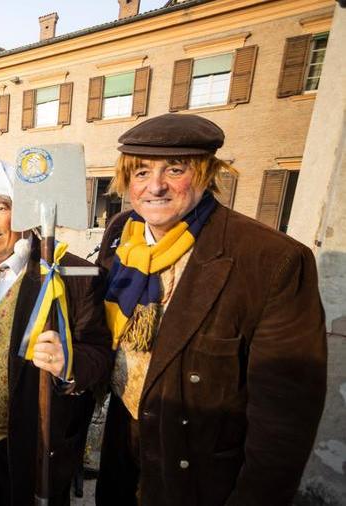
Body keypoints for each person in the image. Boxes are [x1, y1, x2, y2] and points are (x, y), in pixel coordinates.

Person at [94, 113, 327, 505]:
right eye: (141, 172)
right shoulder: (123, 233)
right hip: (123, 455)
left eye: (175, 169)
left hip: (197, 472)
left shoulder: (273, 259)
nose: (155, 186)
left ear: (205, 173)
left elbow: (284, 420)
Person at [0, 158, 113, 505]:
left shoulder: (69, 275)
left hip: (26, 450)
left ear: (26, 217)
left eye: (1, 207)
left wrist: (70, 363)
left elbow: (100, 355)